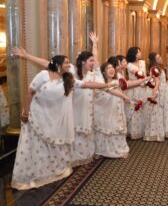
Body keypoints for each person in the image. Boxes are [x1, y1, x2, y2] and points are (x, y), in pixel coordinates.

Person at [11, 55, 114, 190]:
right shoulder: (44, 75)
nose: (68, 65)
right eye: (66, 62)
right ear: (58, 64)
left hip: (55, 119)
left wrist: (106, 85)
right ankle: (35, 174)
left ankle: (51, 171)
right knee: (38, 147)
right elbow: (30, 92)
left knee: (53, 146)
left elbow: (86, 84)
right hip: (38, 116)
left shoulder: (68, 79)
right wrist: (26, 111)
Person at [94, 61, 131, 158]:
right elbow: (110, 91)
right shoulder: (101, 83)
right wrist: (124, 96)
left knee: (115, 126)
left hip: (115, 110)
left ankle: (119, 150)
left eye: (112, 67)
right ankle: (101, 151)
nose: (111, 69)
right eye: (108, 68)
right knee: (104, 127)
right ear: (103, 72)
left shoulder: (117, 81)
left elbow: (128, 84)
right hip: (104, 110)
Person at [125, 47, 150, 139]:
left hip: (142, 87)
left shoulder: (143, 62)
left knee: (142, 109)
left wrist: (146, 83)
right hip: (134, 87)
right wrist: (145, 79)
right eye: (138, 52)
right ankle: (133, 132)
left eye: (140, 51)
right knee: (134, 108)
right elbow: (138, 73)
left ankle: (141, 131)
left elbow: (144, 75)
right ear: (134, 54)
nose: (140, 53)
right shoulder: (129, 65)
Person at [144, 53, 166, 142]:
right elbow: (157, 82)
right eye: (158, 58)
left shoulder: (159, 68)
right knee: (155, 113)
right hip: (157, 92)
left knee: (157, 113)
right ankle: (155, 134)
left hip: (160, 91)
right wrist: (154, 94)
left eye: (160, 56)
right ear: (154, 60)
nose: (160, 58)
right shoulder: (154, 68)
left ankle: (155, 133)